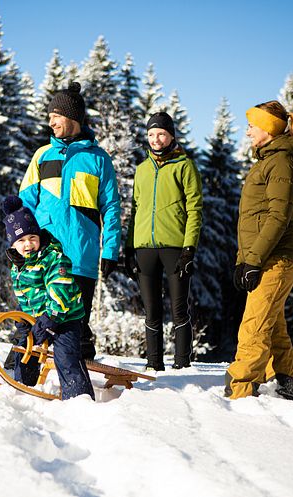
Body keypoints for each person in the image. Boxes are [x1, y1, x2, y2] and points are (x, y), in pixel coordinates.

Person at [19, 81, 121, 361]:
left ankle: (82, 384)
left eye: (56, 116)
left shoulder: (99, 160)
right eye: (49, 115)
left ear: (73, 118)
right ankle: (23, 372)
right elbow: (24, 203)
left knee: (75, 326)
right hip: (45, 256)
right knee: (36, 321)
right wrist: (19, 243)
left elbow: (111, 207)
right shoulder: (42, 155)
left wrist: (111, 250)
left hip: (80, 255)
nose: (50, 121)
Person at [225, 100, 293, 401]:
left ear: (268, 129)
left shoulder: (281, 162)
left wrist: (254, 260)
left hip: (276, 258)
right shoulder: (268, 161)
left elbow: (278, 216)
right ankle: (284, 381)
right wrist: (243, 260)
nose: (247, 133)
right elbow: (252, 218)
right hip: (264, 257)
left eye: (251, 126)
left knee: (254, 326)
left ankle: (240, 388)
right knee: (273, 324)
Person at [125, 112, 203, 371]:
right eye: (151, 134)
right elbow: (135, 210)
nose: (155, 139)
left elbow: (195, 209)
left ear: (171, 136)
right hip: (145, 249)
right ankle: (154, 364)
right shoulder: (142, 169)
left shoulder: (184, 166)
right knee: (152, 311)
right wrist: (128, 248)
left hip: (175, 248)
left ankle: (182, 364)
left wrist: (189, 248)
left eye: (161, 134)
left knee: (179, 310)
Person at [2, 195, 95, 401]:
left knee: (66, 356)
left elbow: (61, 288)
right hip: (39, 319)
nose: (28, 244)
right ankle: (24, 388)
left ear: (39, 236)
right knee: (25, 349)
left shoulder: (53, 257)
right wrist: (24, 320)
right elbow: (25, 296)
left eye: (32, 238)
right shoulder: (18, 266)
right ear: (13, 244)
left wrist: (52, 316)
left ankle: (79, 398)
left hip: (65, 317)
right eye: (21, 240)